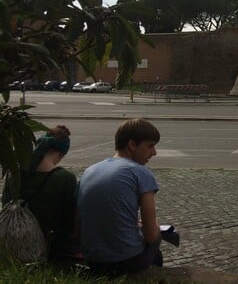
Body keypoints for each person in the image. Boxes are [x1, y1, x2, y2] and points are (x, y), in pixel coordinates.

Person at [76, 118, 162, 276]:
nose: (154, 152)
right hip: (126, 261)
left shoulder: (90, 171)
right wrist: (155, 227)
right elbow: (150, 236)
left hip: (92, 260)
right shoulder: (140, 172)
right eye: (150, 146)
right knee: (157, 239)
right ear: (132, 145)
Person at [1, 125, 80, 261]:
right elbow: (68, 222)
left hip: (10, 243)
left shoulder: (14, 173)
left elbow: (5, 205)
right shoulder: (64, 179)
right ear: (60, 155)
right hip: (49, 248)